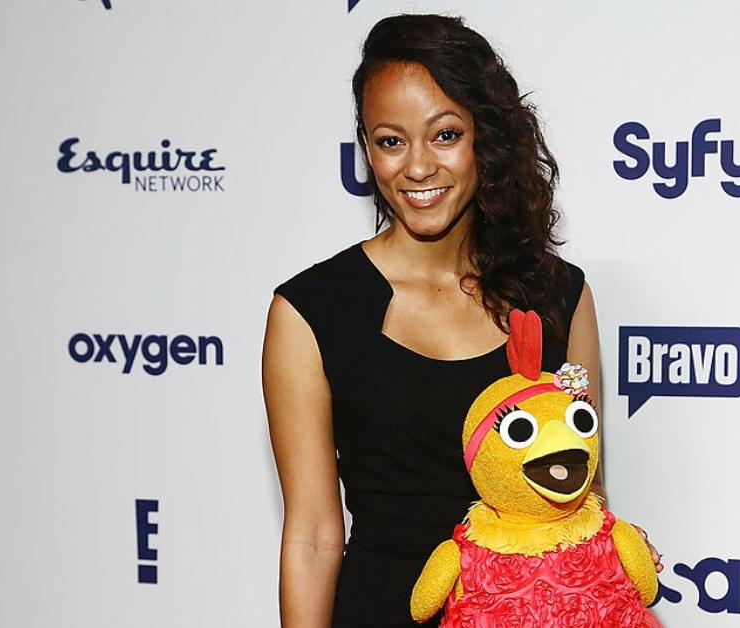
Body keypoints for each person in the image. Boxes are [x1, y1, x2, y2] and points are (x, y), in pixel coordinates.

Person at [261, 14, 658, 627]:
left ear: (486, 137)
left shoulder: (559, 296)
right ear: (367, 148)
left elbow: (581, 498)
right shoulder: (311, 312)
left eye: (444, 134)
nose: (417, 167)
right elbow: (313, 535)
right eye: (390, 140)